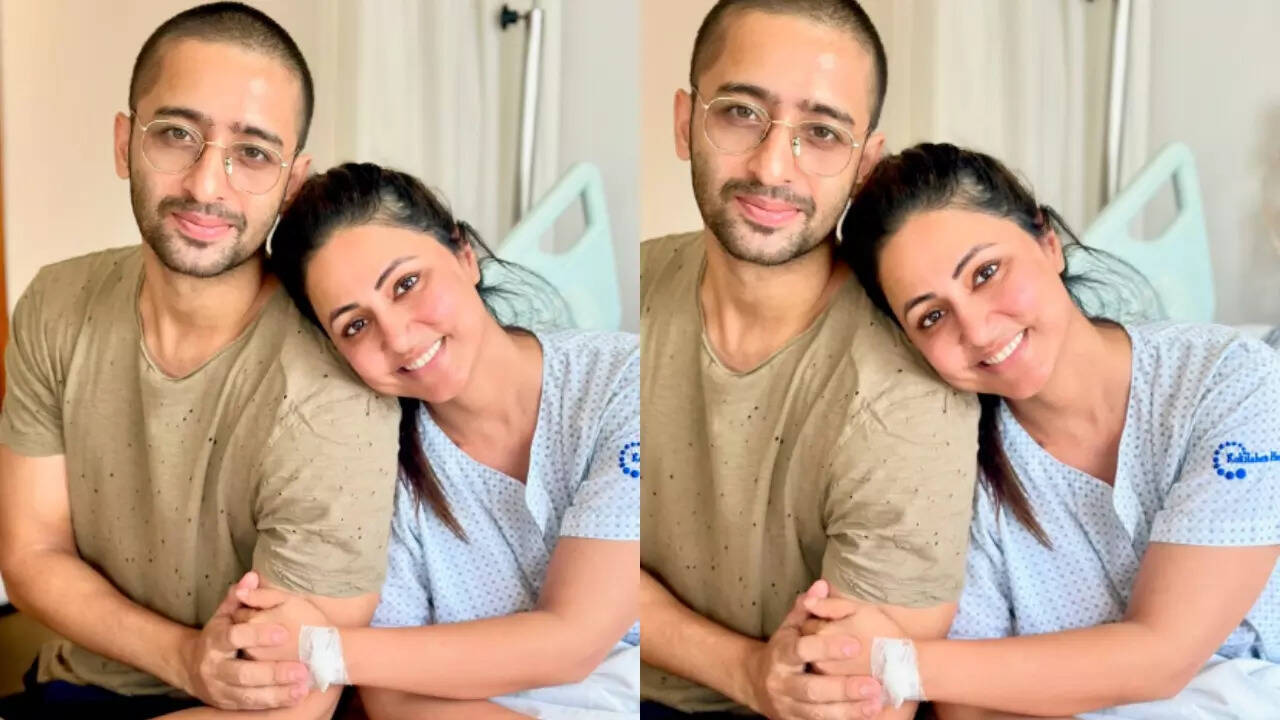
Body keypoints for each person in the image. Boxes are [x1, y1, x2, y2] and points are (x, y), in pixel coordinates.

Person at [0, 4, 400, 719]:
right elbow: (30, 554)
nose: (207, 185)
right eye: (176, 134)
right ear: (124, 143)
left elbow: (293, 702)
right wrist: (184, 655)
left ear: (292, 182)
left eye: (253, 153)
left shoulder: (333, 387)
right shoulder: (57, 304)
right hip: (77, 683)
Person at [810, 142, 1280, 718]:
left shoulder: (1230, 380)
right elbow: (968, 711)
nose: (977, 330)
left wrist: (894, 662)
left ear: (1047, 242)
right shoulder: (956, 475)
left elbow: (1164, 655)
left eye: (986, 273)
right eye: (931, 316)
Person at [639, 1, 980, 718]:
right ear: (684, 121)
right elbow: (571, 563)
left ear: (864, 165)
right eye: (740, 113)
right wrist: (744, 668)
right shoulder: (628, 292)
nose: (772, 166)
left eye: (822, 133)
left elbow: (850, 698)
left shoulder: (904, 394)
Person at [237, 162, 641, 720]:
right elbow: (391, 698)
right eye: (356, 325)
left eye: (406, 284)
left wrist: (320, 647)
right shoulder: (377, 472)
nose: (399, 337)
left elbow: (575, 640)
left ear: (464, 255)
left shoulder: (623, 384)